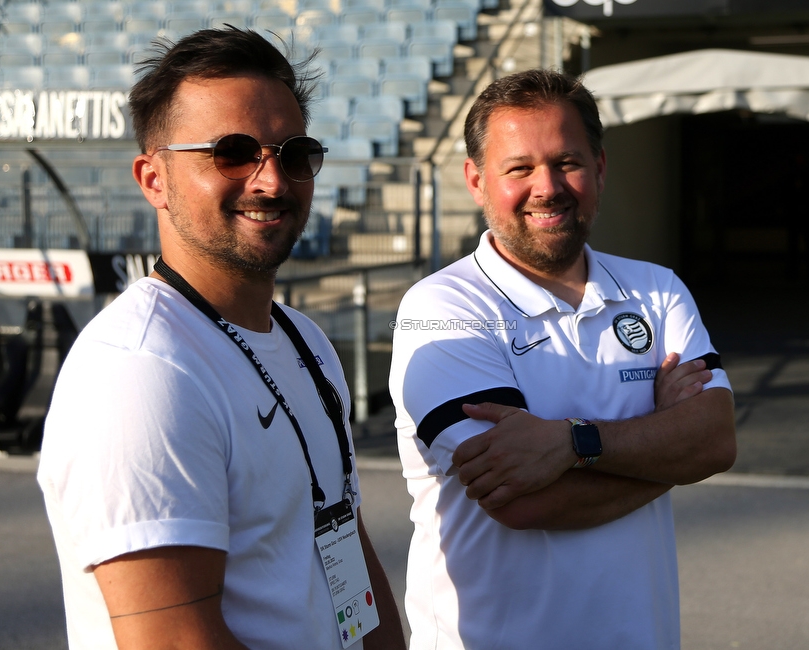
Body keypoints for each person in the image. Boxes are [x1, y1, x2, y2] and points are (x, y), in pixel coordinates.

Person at [37, 28, 404, 650]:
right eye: (232, 152)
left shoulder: (304, 339)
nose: (270, 181)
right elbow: (174, 640)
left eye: (292, 153)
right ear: (154, 179)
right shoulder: (141, 370)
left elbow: (344, 549)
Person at [389, 69, 736, 649]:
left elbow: (717, 439)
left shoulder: (657, 289)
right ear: (476, 181)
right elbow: (525, 501)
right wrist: (667, 448)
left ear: (599, 169)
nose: (547, 187)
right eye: (519, 168)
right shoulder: (441, 308)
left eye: (567, 162)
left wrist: (574, 443)